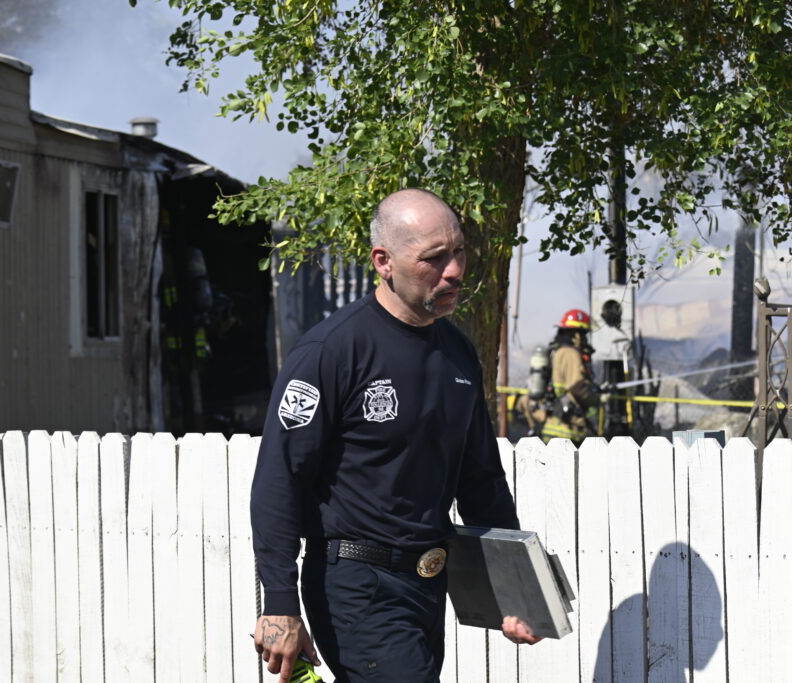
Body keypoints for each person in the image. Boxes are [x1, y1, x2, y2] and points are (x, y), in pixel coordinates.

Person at [251, 189, 541, 683]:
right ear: (383, 262)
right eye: (434, 258)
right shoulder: (331, 352)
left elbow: (481, 482)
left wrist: (511, 586)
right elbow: (280, 480)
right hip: (358, 588)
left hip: (427, 587)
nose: (454, 270)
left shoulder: (458, 353)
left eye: (459, 252)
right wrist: (280, 603)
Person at [522, 310, 601, 443]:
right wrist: (597, 398)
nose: (585, 339)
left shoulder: (558, 350)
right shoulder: (570, 354)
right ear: (576, 335)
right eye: (584, 334)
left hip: (554, 426)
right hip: (568, 429)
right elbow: (577, 387)